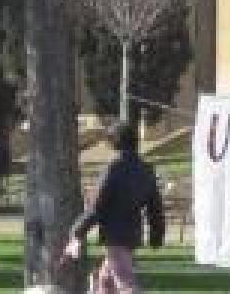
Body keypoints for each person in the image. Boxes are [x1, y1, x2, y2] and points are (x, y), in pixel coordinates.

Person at [65, 120, 166, 293]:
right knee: (106, 281)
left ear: (115, 142)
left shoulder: (114, 168)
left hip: (115, 235)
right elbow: (155, 206)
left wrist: (78, 229)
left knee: (126, 283)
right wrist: (157, 234)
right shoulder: (146, 169)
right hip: (133, 233)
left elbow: (97, 206)